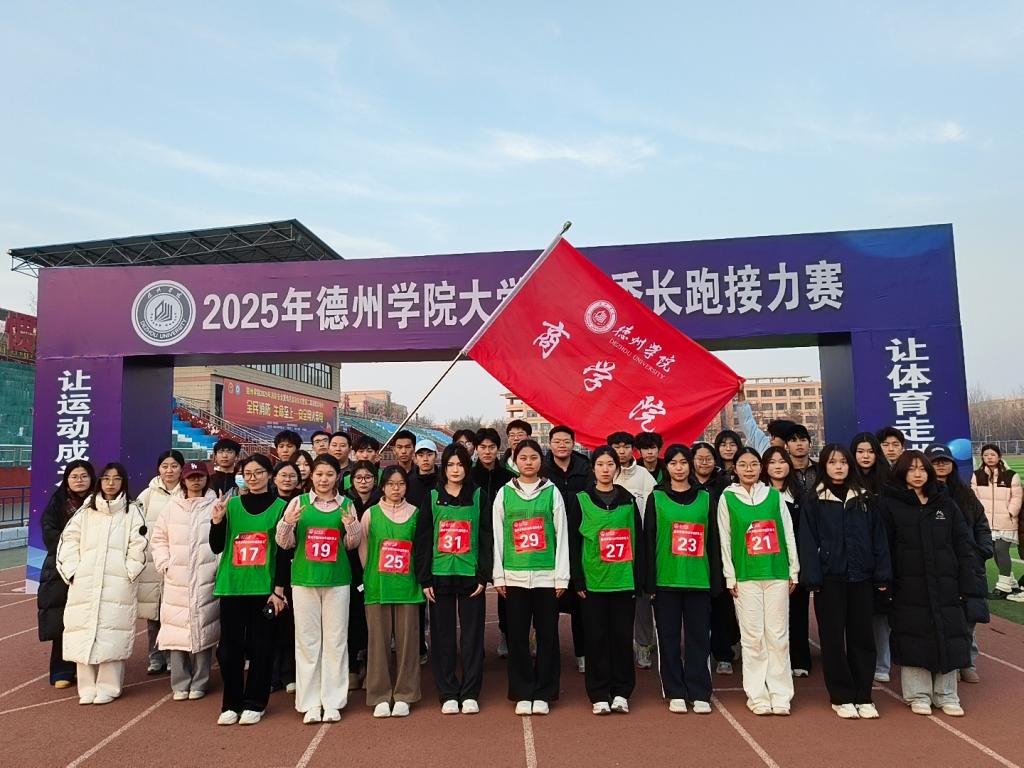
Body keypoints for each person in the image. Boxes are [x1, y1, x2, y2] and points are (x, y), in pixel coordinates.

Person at [880, 451, 977, 716]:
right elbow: (885, 547)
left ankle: (947, 694)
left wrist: (966, 581)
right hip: (908, 584)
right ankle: (918, 694)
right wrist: (887, 582)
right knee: (913, 635)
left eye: (922, 469)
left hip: (946, 583)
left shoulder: (945, 503)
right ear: (902, 472)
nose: (918, 474)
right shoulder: (890, 505)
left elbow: (962, 544)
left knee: (949, 633)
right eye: (911, 469)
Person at [799, 445, 891, 719]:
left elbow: (879, 539)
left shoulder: (865, 499)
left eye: (843, 462)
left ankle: (864, 695)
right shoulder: (814, 499)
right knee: (832, 639)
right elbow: (808, 540)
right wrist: (812, 576)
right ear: (824, 466)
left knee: (862, 637)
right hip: (830, 579)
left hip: (861, 578)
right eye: (832, 462)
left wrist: (882, 574)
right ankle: (841, 696)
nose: (838, 467)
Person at [276, 454, 362, 724]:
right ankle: (310, 702)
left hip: (337, 580)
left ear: (338, 477)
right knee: (307, 642)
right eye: (319, 474)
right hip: (304, 580)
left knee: (336, 640)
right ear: (311, 475)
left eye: (329, 474)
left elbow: (352, 544)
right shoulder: (297, 503)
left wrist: (351, 526)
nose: (324, 479)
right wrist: (287, 522)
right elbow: (284, 543)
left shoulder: (347, 505)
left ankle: (333, 700)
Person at [57, 463, 148, 705]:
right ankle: (86, 687)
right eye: (106, 478)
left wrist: (129, 572)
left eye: (116, 479)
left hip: (117, 582)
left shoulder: (133, 511)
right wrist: (73, 571)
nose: (111, 483)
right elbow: (69, 540)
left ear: (123, 482)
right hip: (85, 581)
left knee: (112, 633)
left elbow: (139, 544)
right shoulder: (86, 510)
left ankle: (109, 686)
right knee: (82, 631)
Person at [717, 447, 799, 716]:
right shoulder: (727, 498)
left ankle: (781, 694)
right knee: (753, 638)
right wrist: (730, 575)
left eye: (753, 464)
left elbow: (788, 533)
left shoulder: (774, 496)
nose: (749, 469)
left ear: (761, 468)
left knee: (778, 636)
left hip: (776, 573)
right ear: (735, 468)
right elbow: (725, 539)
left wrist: (793, 569)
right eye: (743, 464)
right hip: (745, 577)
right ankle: (757, 695)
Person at [210, 454, 290, 726]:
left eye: (259, 472)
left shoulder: (282, 507)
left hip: (263, 589)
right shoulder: (230, 505)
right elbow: (216, 546)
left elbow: (283, 553)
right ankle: (231, 702)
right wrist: (217, 521)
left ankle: (256, 702)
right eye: (248, 474)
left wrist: (278, 590)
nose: (253, 478)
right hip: (232, 586)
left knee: (261, 647)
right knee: (229, 650)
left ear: (270, 475)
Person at [492, 439, 570, 716]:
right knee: (517, 637)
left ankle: (545, 692)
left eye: (533, 457)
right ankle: (522, 691)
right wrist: (498, 575)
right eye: (523, 458)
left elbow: (561, 534)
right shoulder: (504, 493)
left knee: (548, 636)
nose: (528, 462)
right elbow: (498, 535)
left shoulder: (552, 492)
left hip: (546, 577)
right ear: (515, 461)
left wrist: (561, 576)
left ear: (541, 460)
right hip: (514, 577)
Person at [416, 444, 492, 714]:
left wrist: (484, 574)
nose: (456, 470)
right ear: (444, 468)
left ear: (467, 467)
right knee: (443, 637)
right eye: (450, 465)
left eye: (460, 464)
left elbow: (486, 536)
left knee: (472, 638)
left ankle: (470, 692)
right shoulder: (432, 496)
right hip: (440, 576)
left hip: (471, 576)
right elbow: (423, 539)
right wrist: (425, 578)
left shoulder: (480, 496)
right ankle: (448, 691)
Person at [645, 444, 720, 714]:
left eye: (683, 462)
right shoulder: (656, 497)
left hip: (698, 579)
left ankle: (699, 691)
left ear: (691, 465)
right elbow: (648, 540)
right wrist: (649, 583)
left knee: (699, 639)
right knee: (668, 639)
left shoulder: (706, 497)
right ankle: (675, 690)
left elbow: (714, 541)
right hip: (666, 580)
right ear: (667, 467)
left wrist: (715, 581)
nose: (679, 468)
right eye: (673, 463)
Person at [571, 446, 645, 715]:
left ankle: (622, 692)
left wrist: (638, 578)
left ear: (617, 468)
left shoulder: (628, 501)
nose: (605, 469)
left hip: (623, 581)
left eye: (610, 464)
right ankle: (599, 693)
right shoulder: (581, 500)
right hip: (593, 582)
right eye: (600, 464)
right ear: (593, 468)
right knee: (596, 638)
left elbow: (638, 539)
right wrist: (577, 580)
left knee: (621, 638)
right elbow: (573, 542)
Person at [151, 460, 220, 701]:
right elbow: (158, 538)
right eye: (191, 477)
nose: (196, 481)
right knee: (176, 629)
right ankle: (180, 682)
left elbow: (222, 538)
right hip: (177, 579)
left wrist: (217, 566)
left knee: (205, 627)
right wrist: (164, 563)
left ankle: (200, 681)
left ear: (206, 479)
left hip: (206, 577)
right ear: (184, 480)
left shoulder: (216, 505)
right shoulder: (172, 507)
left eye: (200, 476)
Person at [360, 466, 424, 718]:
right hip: (378, 586)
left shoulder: (416, 513)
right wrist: (371, 575)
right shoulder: (370, 514)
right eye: (391, 484)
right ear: (383, 487)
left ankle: (405, 694)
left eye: (401, 484)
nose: (396, 489)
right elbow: (364, 549)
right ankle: (380, 695)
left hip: (407, 587)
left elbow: (419, 550)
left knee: (408, 645)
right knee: (378, 643)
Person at [927, 444, 992, 683]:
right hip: (940, 565)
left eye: (945, 461)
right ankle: (948, 662)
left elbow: (982, 525)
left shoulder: (965, 493)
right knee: (944, 616)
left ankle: (967, 661)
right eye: (935, 461)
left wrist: (982, 550)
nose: (941, 465)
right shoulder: (923, 494)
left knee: (969, 616)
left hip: (969, 563)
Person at [38, 460, 95, 688]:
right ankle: (62, 669)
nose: (79, 480)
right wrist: (71, 550)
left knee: (89, 619)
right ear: (67, 479)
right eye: (74, 476)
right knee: (62, 619)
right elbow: (49, 532)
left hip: (92, 565)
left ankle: (87, 666)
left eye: (84, 476)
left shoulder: (100, 502)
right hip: (60, 568)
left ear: (92, 478)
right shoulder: (57, 503)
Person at [606, 431, 657, 670]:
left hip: (638, 544)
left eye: (626, 446)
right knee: (613, 600)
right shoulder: (605, 472)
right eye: (616, 446)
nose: (621, 451)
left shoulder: (644, 476)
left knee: (641, 599)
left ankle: (644, 644)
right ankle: (616, 646)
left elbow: (653, 509)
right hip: (609, 546)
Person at [544, 424, 592, 673]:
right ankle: (548, 654)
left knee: (581, 601)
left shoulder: (586, 468)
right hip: (549, 543)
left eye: (566, 441)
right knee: (548, 603)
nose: (562, 445)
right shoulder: (542, 469)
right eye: (557, 441)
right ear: (550, 444)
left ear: (573, 444)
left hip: (580, 539)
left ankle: (583, 653)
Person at [761, 446, 810, 677]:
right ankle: (772, 662)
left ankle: (800, 660)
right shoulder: (758, 495)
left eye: (782, 461)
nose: (778, 466)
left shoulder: (801, 495)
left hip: (793, 561)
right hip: (766, 562)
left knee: (797, 612)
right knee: (770, 617)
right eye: (772, 462)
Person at [849, 432, 894, 683]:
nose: (865, 456)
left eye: (870, 451)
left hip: (885, 553)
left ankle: (882, 663)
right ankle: (859, 659)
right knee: (857, 613)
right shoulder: (847, 481)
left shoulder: (889, 481)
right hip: (857, 556)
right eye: (860, 451)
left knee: (882, 613)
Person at [136, 450, 185, 676]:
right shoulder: (148, 494)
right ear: (158, 469)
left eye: (174, 466)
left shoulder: (187, 492)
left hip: (179, 561)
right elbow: (137, 525)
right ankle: (155, 657)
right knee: (153, 613)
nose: (169, 470)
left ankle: (174, 657)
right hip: (152, 561)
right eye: (165, 466)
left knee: (175, 613)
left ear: (181, 469)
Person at [693, 441, 737, 675]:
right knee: (697, 608)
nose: (704, 462)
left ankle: (723, 654)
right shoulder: (685, 484)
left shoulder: (725, 485)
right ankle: (699, 654)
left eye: (708, 458)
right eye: (699, 458)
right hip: (692, 554)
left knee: (721, 606)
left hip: (719, 551)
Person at [472, 427, 515, 658]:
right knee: (475, 590)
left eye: (491, 447)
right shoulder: (469, 475)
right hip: (476, 540)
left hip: (503, 540)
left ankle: (506, 633)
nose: (487, 451)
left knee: (505, 590)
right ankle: (474, 641)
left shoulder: (509, 478)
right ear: (476, 449)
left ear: (498, 449)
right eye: (483, 447)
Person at [344, 460, 382, 690]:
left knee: (372, 620)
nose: (363, 481)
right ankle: (351, 667)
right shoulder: (345, 503)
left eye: (368, 477)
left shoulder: (382, 502)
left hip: (376, 566)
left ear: (375, 480)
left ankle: (370, 664)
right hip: (349, 568)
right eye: (358, 478)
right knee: (352, 618)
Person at [971, 443, 1022, 599]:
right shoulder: (977, 475)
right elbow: (974, 496)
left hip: (1006, 521)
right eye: (986, 455)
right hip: (986, 522)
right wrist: (979, 515)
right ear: (982, 457)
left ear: (999, 456)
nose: (989, 458)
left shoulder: (1010, 475)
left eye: (992, 454)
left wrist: (1011, 512)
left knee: (1001, 550)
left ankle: (1003, 587)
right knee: (994, 552)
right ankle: (1010, 582)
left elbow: (1017, 496)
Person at [270, 461, 302, 694]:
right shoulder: (271, 503)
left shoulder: (303, 503)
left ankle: (289, 672)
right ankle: (273, 674)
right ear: (274, 478)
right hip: (270, 571)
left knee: (291, 626)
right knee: (271, 623)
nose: (287, 479)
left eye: (292, 476)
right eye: (283, 475)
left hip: (296, 570)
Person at [785, 425, 816, 495]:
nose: (799, 444)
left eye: (803, 440)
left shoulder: (820, 470)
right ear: (786, 446)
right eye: (793, 440)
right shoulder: (784, 471)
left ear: (810, 444)